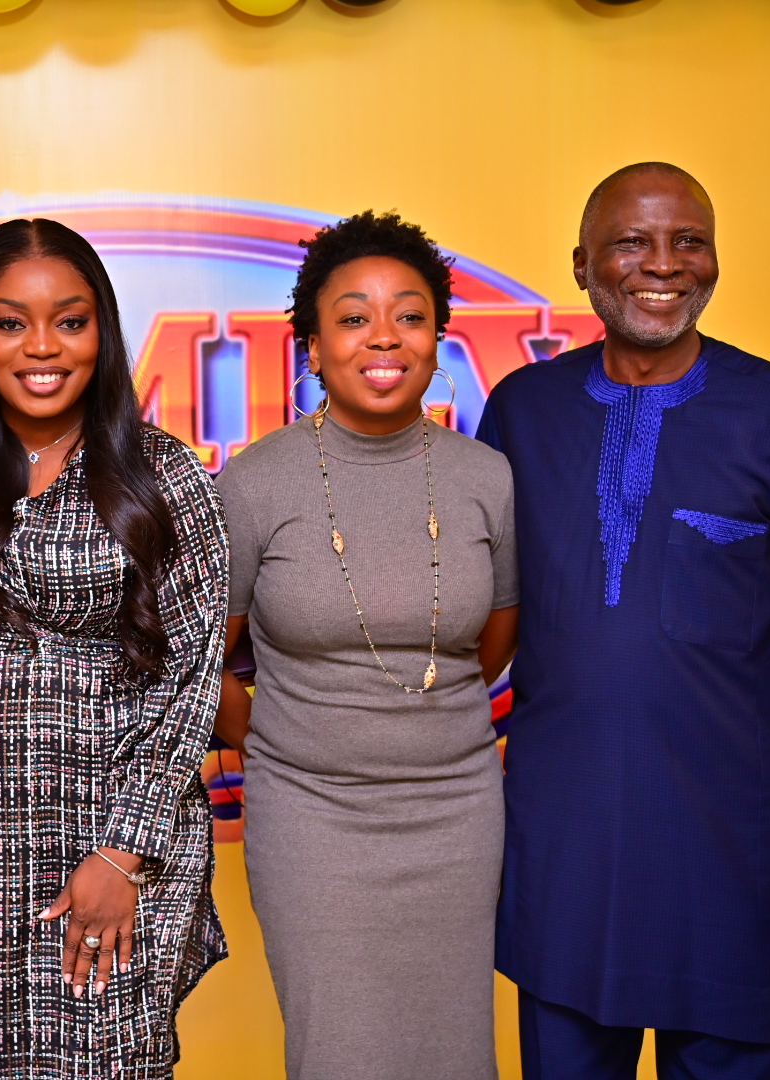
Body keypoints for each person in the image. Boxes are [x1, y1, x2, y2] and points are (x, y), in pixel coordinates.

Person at [474, 163, 770, 1079]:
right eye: (632, 242)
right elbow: (466, 612)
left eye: (689, 241)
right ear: (582, 264)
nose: (663, 264)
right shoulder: (522, 412)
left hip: (739, 860)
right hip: (566, 855)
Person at [0, 218, 228, 1079]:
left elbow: (192, 677)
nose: (42, 347)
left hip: (111, 835)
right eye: (10, 323)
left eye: (70, 322)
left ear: (101, 332)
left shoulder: (161, 474)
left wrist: (124, 852)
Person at [213, 210, 520, 1080]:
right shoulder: (255, 481)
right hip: (311, 817)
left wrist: (416, 723)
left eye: (409, 315)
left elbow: (493, 643)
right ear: (313, 348)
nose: (384, 336)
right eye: (354, 317)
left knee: (455, 1051)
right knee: (338, 1051)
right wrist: (288, 746)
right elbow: (203, 662)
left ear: (437, 339)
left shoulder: (485, 477)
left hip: (458, 812)